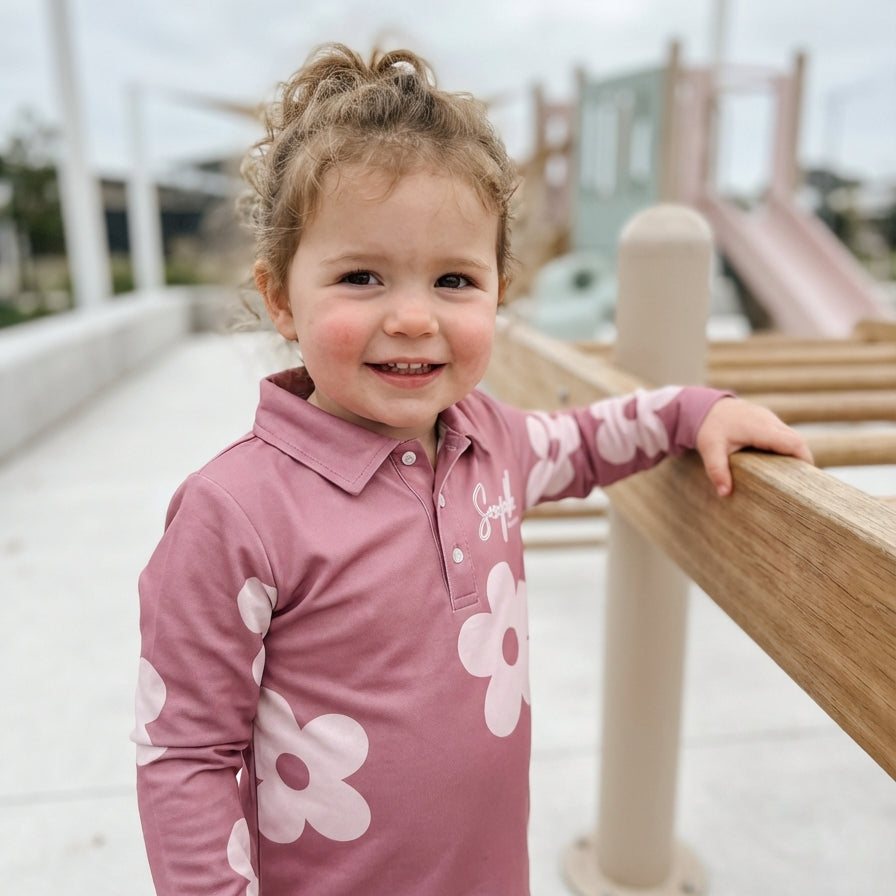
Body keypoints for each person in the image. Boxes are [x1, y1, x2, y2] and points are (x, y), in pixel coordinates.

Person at [132, 43, 813, 896]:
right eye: (362, 277)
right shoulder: (234, 513)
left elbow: (590, 438)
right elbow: (187, 752)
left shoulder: (491, 441)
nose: (414, 317)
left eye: (455, 279)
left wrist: (693, 411)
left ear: (500, 290)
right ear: (281, 298)